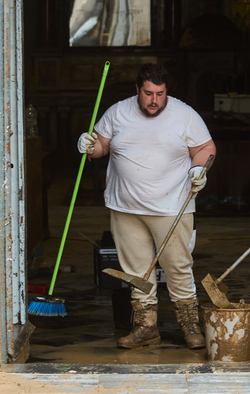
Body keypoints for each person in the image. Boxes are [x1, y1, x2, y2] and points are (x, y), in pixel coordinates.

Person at [77, 63, 216, 350]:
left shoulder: (185, 114)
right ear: (137, 90)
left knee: (178, 266)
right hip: (126, 206)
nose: (154, 100)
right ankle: (145, 328)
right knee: (137, 270)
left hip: (171, 206)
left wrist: (198, 169)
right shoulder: (117, 112)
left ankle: (190, 327)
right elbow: (102, 146)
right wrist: (91, 147)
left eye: (160, 94)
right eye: (148, 93)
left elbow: (205, 148)